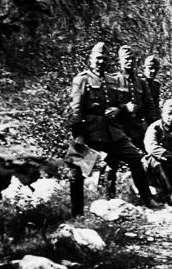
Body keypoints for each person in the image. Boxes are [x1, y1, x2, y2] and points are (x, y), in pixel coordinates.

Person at [68, 41, 160, 212]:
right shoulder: (82, 79)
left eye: (104, 58)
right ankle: (77, 213)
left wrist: (120, 108)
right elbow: (76, 111)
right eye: (98, 58)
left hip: (113, 132)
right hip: (90, 132)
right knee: (77, 170)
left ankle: (147, 199)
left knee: (134, 158)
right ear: (90, 59)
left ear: (109, 60)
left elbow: (121, 104)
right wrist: (79, 135)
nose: (101, 62)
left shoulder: (112, 80)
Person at [104, 44, 156, 199]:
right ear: (120, 61)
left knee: (151, 155)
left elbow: (149, 106)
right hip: (118, 129)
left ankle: (156, 192)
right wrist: (123, 108)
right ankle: (108, 196)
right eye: (126, 59)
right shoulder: (113, 81)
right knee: (112, 162)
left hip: (137, 129)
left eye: (132, 59)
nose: (130, 62)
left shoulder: (141, 83)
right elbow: (108, 106)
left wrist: (154, 127)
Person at [142, 54, 163, 121]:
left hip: (151, 119)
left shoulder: (156, 86)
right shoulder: (138, 83)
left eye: (156, 68)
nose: (153, 71)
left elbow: (156, 106)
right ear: (144, 69)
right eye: (150, 68)